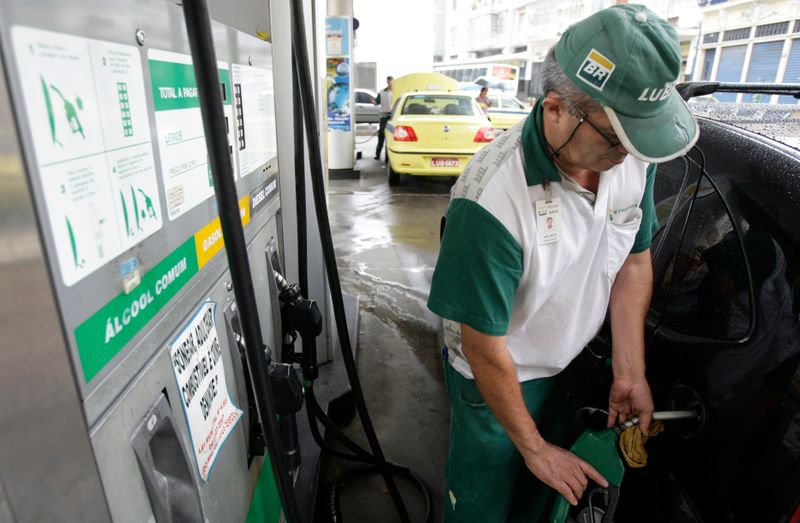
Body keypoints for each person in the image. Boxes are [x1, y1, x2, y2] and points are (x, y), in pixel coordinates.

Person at [427, 5, 699, 522]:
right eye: (616, 136)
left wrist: (630, 370)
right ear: (556, 110)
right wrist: (534, 448)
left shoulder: (629, 157)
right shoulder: (491, 203)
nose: (630, 153)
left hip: (564, 363)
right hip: (492, 378)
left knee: (544, 501)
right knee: (484, 504)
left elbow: (633, 263)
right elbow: (484, 347)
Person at [375, 75, 393, 160]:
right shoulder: (382, 92)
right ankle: (378, 154)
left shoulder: (397, 91)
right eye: (388, 81)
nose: (390, 83)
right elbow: (376, 102)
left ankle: (388, 157)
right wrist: (374, 102)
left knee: (390, 137)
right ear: (387, 82)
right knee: (381, 135)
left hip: (393, 117)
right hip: (384, 117)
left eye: (391, 81)